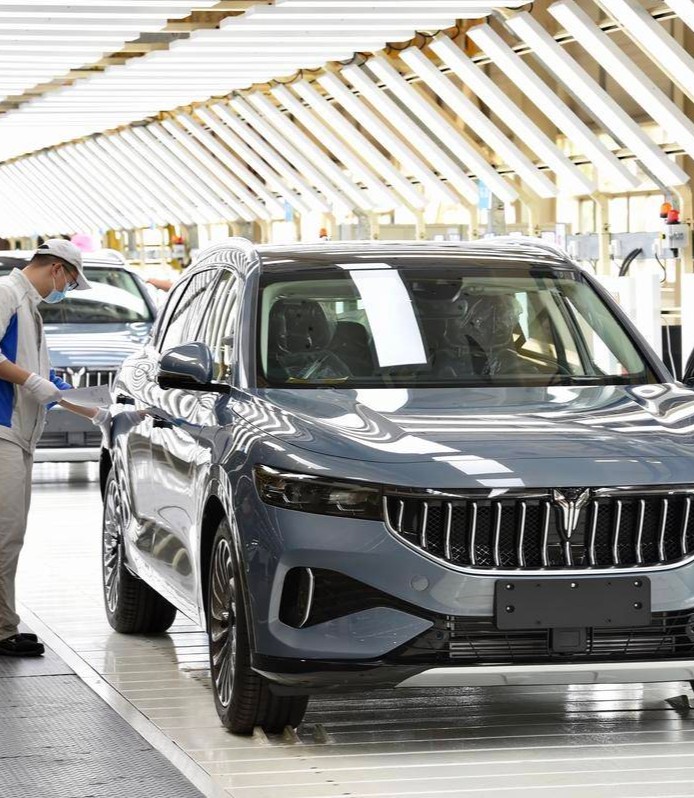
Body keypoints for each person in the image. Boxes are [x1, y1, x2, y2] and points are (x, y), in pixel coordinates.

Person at [0, 240, 111, 657]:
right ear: (57, 269)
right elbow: (33, 379)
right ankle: (2, 630)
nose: (64, 290)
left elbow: (49, 382)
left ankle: (4, 624)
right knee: (5, 534)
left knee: (10, 535)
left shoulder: (29, 308)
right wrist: (31, 381)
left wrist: (97, 412)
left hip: (19, 432)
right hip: (3, 428)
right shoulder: (7, 294)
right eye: (69, 282)